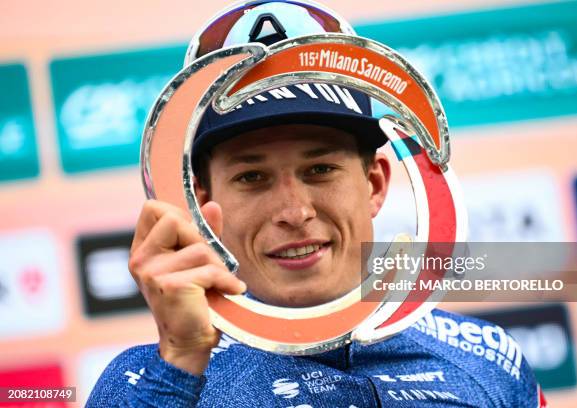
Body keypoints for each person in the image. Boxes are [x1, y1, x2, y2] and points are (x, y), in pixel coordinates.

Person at [86, 2, 546, 407]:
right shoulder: (148, 381)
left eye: (320, 170)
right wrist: (181, 362)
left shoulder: (486, 361)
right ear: (202, 203)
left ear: (375, 183)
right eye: (252, 177)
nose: (294, 211)